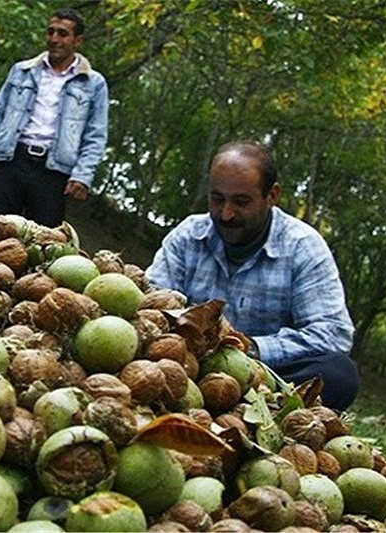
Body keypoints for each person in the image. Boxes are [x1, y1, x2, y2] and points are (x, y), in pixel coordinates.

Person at [145, 140, 360, 411]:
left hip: (266, 375)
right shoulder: (188, 236)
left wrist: (252, 349)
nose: (226, 214)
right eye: (217, 199)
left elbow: (333, 333)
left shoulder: (302, 246)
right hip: (189, 366)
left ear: (272, 195)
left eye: (241, 202)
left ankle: (266, 410)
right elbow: (153, 301)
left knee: (338, 374)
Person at [0, 7, 109, 228]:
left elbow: (96, 135)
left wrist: (82, 175)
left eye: (62, 34)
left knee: (42, 242)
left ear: (77, 41)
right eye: (50, 32)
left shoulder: (93, 83)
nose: (54, 39)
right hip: (11, 161)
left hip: (53, 173)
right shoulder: (22, 71)